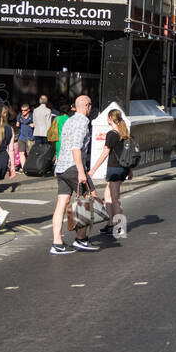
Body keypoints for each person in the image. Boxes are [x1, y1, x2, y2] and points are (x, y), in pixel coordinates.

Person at [50, 94, 98, 254]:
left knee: (61, 204)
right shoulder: (83, 122)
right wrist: (81, 172)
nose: (91, 108)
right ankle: (81, 239)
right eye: (90, 105)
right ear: (87, 106)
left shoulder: (69, 120)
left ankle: (57, 243)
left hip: (61, 167)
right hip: (73, 167)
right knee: (88, 199)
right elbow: (76, 148)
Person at [90, 108, 135, 240]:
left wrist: (93, 169)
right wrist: (130, 170)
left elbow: (105, 153)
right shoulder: (124, 133)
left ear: (110, 118)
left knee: (115, 198)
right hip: (123, 169)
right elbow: (128, 154)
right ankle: (110, 224)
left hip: (114, 168)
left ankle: (119, 226)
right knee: (108, 196)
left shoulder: (112, 134)